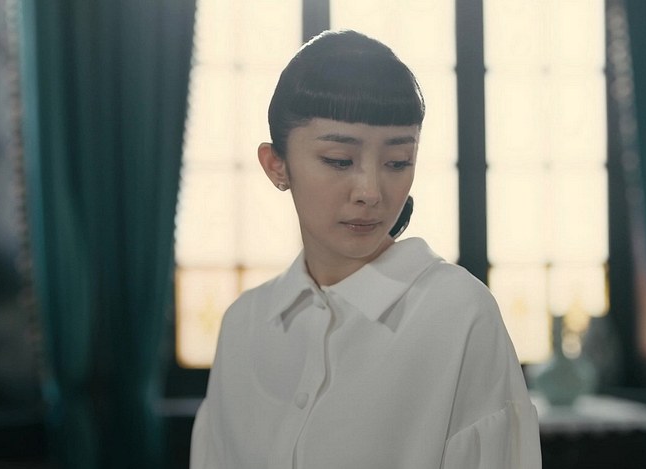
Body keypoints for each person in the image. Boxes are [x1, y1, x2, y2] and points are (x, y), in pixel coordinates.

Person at [190, 29, 541, 469]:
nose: (371, 192)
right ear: (276, 165)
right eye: (339, 160)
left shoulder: (459, 313)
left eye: (398, 162)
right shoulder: (244, 325)